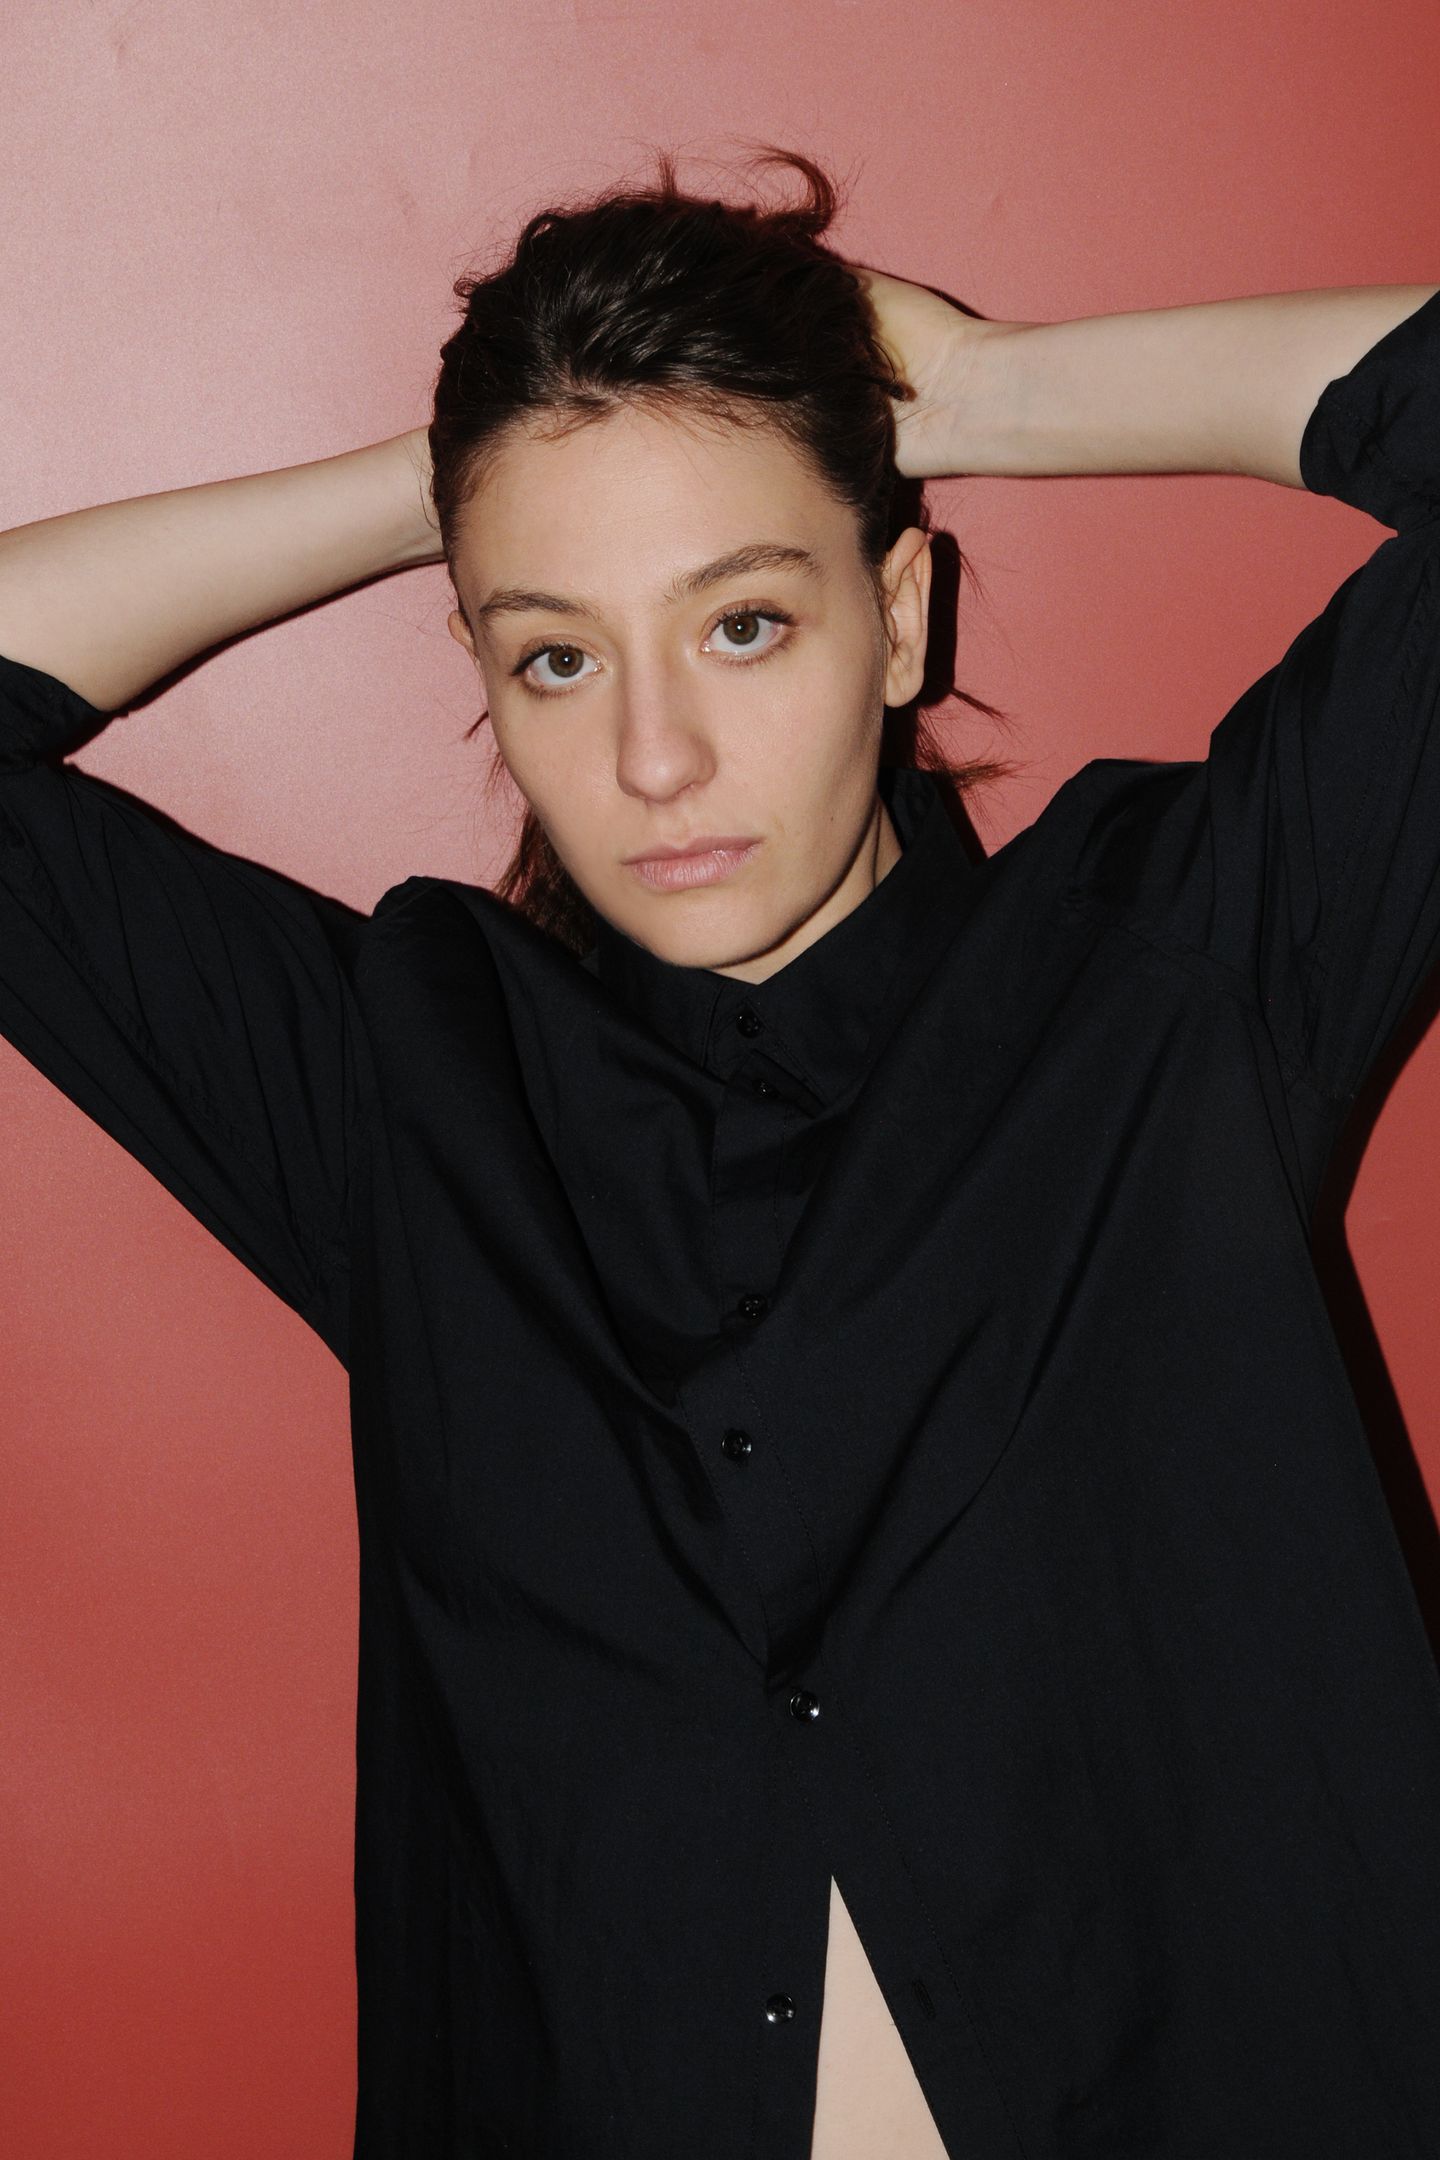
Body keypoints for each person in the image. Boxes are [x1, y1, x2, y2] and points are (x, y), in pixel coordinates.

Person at [2, 142, 1439, 2159]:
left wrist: (990, 393)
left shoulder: (1174, 976)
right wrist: (450, 489)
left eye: (742, 622)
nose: (653, 757)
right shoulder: (405, 1095)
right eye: (555, 654)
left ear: (898, 614)